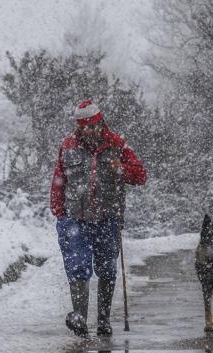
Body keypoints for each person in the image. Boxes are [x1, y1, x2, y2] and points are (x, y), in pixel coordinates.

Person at [50, 99, 147, 338]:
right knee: (78, 267)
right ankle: (80, 318)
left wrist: (122, 170)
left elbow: (141, 175)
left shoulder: (117, 145)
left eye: (91, 126)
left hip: (107, 218)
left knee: (107, 269)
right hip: (75, 219)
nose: (87, 131)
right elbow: (59, 179)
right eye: (83, 127)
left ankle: (103, 320)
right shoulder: (68, 145)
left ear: (100, 122)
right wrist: (59, 212)